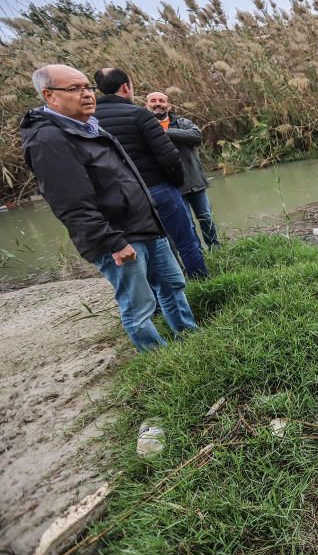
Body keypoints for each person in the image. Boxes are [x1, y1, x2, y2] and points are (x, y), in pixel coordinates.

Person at [20, 64, 197, 351]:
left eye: (87, 86)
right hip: (119, 236)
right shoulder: (49, 139)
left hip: (145, 225)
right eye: (75, 89)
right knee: (139, 305)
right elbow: (70, 203)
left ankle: (190, 339)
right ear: (50, 96)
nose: (87, 94)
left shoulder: (88, 126)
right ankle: (159, 361)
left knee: (173, 286)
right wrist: (111, 241)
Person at [93, 68, 208, 278]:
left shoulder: (88, 122)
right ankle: (200, 281)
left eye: (161, 101)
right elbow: (168, 157)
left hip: (119, 197)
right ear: (126, 87)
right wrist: (174, 182)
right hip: (158, 187)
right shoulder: (139, 115)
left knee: (150, 244)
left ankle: (164, 290)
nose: (157, 104)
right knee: (184, 239)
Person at [145, 91, 220, 248]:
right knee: (186, 224)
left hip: (194, 181)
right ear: (147, 105)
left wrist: (165, 132)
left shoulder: (182, 122)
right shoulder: (144, 128)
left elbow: (196, 136)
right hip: (171, 186)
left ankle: (216, 250)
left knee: (206, 218)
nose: (157, 103)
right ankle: (198, 253)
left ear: (169, 105)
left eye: (161, 100)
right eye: (153, 101)